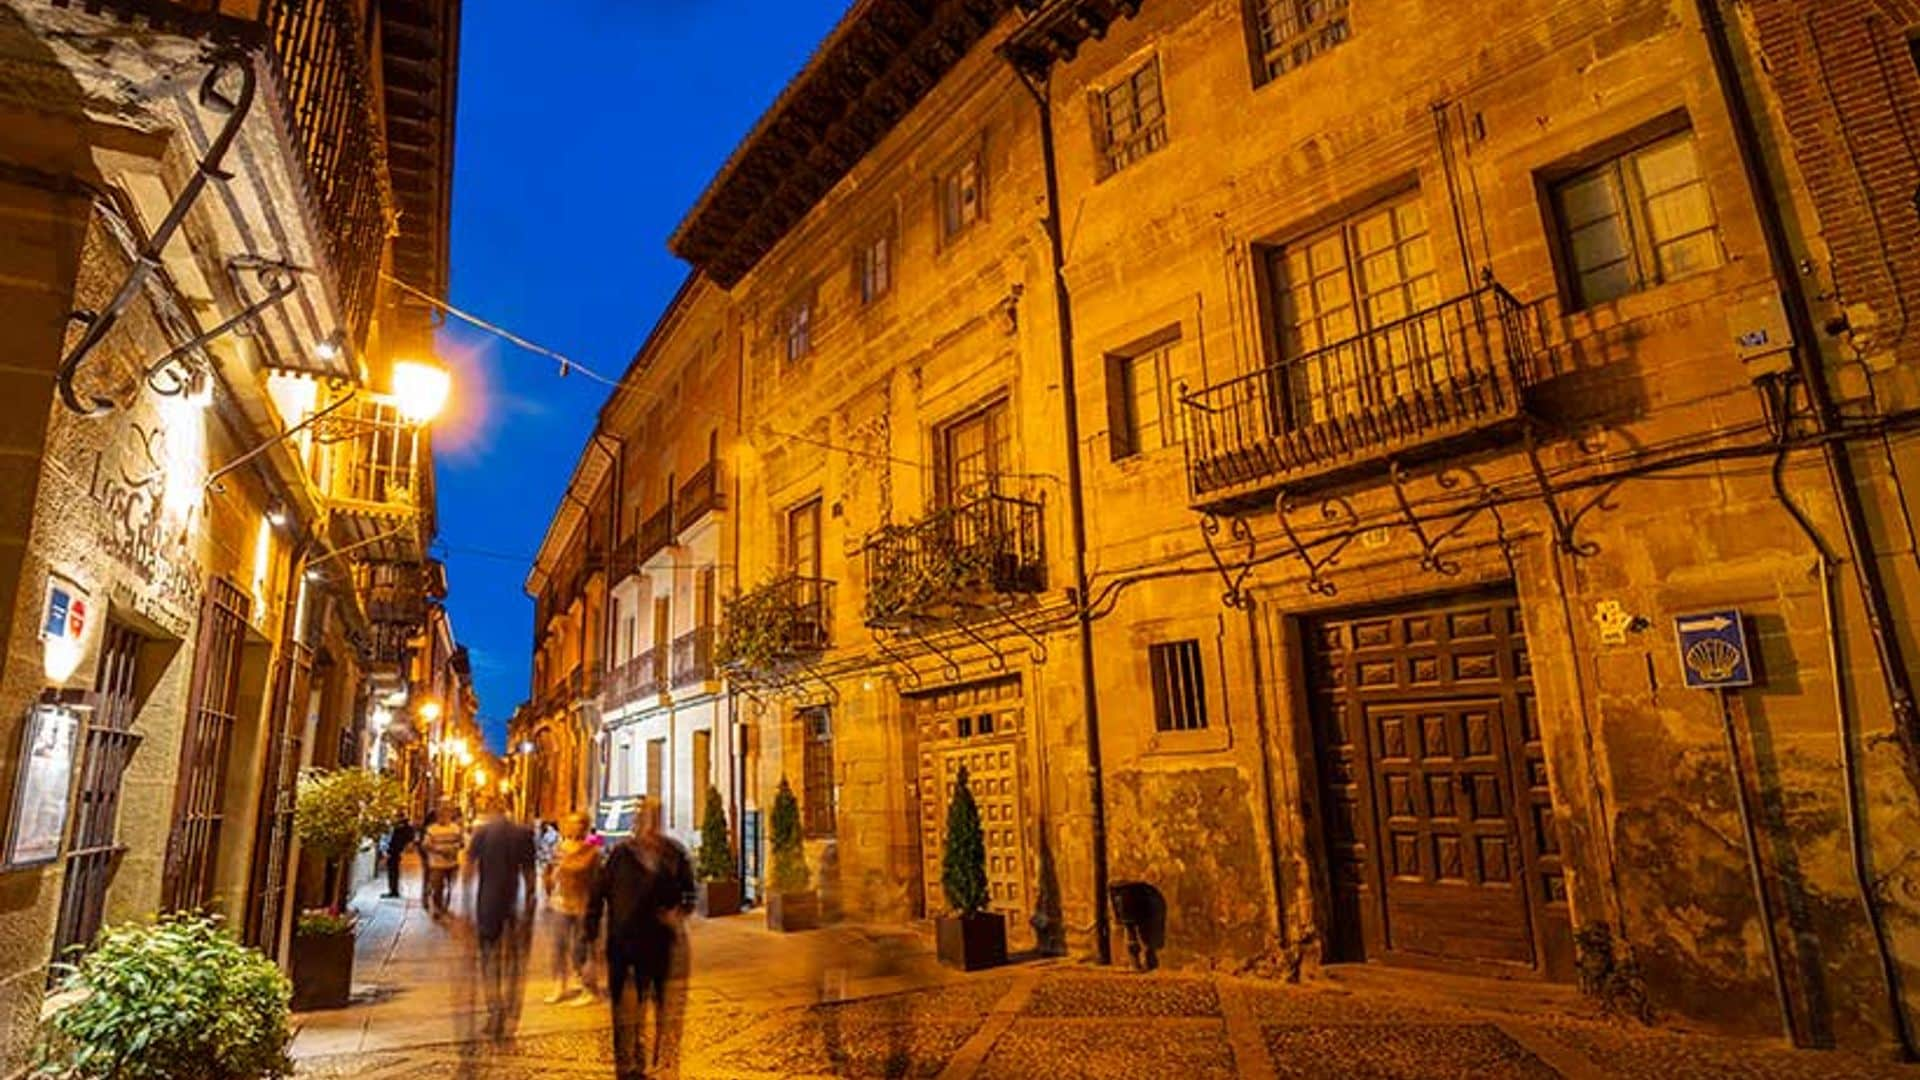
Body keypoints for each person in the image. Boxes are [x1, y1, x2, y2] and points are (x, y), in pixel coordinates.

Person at [586, 797, 694, 1080]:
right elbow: (597, 898)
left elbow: (689, 893)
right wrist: (591, 942)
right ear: (636, 822)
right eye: (644, 818)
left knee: (659, 1005)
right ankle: (627, 1067)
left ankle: (660, 1063)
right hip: (621, 945)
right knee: (623, 1011)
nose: (648, 824)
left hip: (657, 944)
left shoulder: (673, 854)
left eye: (654, 817)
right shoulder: (620, 855)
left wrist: (678, 913)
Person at [466, 797, 538, 1042]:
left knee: (489, 958)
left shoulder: (482, 833)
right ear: (509, 810)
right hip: (512, 903)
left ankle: (494, 1009)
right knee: (513, 961)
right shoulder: (522, 834)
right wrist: (530, 903)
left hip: (487, 904)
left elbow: (468, 868)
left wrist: (464, 908)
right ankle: (507, 1009)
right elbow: (530, 874)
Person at [543, 811, 602, 1004]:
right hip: (561, 903)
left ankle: (588, 987)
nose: (573, 828)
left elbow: (597, 879)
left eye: (578, 824)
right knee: (558, 946)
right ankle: (559, 984)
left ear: (584, 827)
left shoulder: (591, 850)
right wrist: (548, 890)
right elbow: (549, 871)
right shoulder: (559, 847)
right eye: (571, 824)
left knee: (580, 949)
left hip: (583, 905)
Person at [422, 804, 464, 917]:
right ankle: (437, 907)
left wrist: (454, 848)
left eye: (446, 814)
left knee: (450, 886)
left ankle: (444, 905)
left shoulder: (456, 829)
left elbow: (461, 843)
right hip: (436, 863)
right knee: (437, 886)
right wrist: (439, 851)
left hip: (452, 863)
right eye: (440, 814)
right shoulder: (431, 830)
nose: (443, 816)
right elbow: (426, 845)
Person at [381, 815, 417, 899]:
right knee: (394, 871)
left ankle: (393, 890)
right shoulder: (406, 827)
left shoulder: (398, 828)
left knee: (393, 871)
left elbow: (393, 839)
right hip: (396, 850)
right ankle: (394, 890)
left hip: (394, 850)